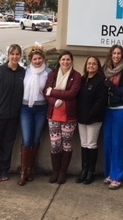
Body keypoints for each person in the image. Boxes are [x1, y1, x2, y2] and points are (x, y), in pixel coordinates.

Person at [0, 44, 25, 182]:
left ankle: (4, 170)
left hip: (13, 116)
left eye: (17, 54)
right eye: (12, 54)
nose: (15, 57)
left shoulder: (23, 73)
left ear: (20, 56)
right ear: (8, 55)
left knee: (8, 143)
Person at [44, 50, 82, 184]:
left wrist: (53, 92)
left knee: (66, 144)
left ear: (72, 61)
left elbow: (72, 94)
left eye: (68, 59)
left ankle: (63, 172)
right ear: (59, 61)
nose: (65, 62)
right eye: (63, 59)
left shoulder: (76, 76)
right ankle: (55, 171)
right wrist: (54, 100)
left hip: (69, 116)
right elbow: (46, 92)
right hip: (53, 115)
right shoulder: (53, 74)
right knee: (55, 144)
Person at [18, 45, 51, 186]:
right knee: (27, 140)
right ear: (30, 60)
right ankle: (23, 172)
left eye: (39, 58)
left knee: (36, 139)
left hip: (41, 109)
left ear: (43, 59)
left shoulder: (48, 73)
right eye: (34, 59)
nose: (37, 61)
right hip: (26, 108)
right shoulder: (25, 72)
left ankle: (30, 169)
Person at [102, 44, 123, 190]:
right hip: (108, 109)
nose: (116, 56)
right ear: (110, 55)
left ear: (122, 55)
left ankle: (118, 177)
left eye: (119, 53)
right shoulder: (105, 69)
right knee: (108, 142)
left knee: (118, 143)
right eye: (114, 53)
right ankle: (110, 173)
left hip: (122, 109)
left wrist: (112, 88)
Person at [76, 55, 108, 184]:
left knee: (91, 144)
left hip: (94, 119)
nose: (91, 66)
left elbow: (100, 102)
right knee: (84, 144)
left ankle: (91, 172)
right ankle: (84, 171)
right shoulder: (83, 80)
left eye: (94, 64)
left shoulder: (101, 81)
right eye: (89, 63)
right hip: (81, 118)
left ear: (98, 66)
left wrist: (89, 114)